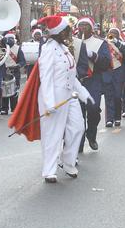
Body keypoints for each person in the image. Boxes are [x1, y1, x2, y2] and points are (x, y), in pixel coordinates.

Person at [33, 14, 92, 182]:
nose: (69, 33)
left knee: (78, 127)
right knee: (53, 134)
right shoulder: (48, 48)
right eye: (66, 30)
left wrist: (82, 92)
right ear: (58, 32)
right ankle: (49, 170)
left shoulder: (65, 48)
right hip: (53, 96)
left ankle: (68, 161)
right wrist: (49, 102)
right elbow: (45, 77)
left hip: (69, 95)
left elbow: (71, 74)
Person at [74, 17, 110, 150]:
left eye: (86, 25)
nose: (83, 28)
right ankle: (79, 143)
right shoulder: (72, 42)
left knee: (93, 109)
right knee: (78, 113)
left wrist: (93, 55)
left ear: (91, 28)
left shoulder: (100, 43)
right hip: (76, 81)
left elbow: (106, 63)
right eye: (81, 25)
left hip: (93, 80)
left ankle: (91, 134)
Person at [105, 27, 125, 127]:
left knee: (117, 96)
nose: (112, 34)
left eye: (114, 33)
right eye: (110, 32)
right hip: (107, 71)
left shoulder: (121, 44)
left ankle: (117, 117)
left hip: (118, 70)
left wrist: (117, 42)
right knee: (108, 96)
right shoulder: (104, 43)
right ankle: (109, 119)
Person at [1, 32, 26, 115]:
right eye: (8, 39)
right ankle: (4, 108)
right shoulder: (2, 48)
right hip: (4, 71)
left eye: (11, 38)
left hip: (14, 71)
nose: (10, 40)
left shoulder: (18, 48)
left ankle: (14, 108)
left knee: (14, 90)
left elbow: (23, 61)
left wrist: (18, 65)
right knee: (4, 90)